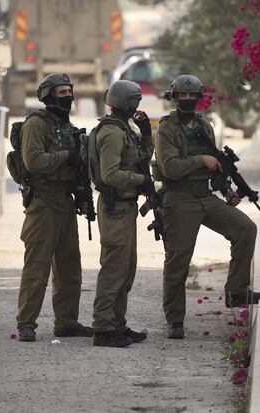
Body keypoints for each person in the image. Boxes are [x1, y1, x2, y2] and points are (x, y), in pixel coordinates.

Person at [154, 74, 260, 340]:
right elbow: (169, 167)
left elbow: (215, 166)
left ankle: (236, 291)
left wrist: (227, 190)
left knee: (245, 229)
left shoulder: (205, 126)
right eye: (182, 96)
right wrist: (200, 160)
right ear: (174, 97)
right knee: (178, 261)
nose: (187, 100)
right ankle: (175, 320)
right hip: (179, 199)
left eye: (191, 96)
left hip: (205, 196)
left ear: (198, 97)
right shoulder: (166, 128)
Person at [16, 73, 93, 342]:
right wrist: (66, 157)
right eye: (61, 92)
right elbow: (34, 161)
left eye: (69, 91)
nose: (67, 97)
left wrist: (82, 192)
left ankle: (67, 323)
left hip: (65, 201)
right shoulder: (36, 124)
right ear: (47, 95)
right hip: (44, 203)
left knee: (70, 268)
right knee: (37, 268)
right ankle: (27, 323)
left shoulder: (69, 127)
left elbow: (78, 165)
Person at [88, 80, 154, 348]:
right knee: (114, 268)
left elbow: (142, 158)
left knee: (126, 269)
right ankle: (103, 329)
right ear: (129, 104)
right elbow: (110, 174)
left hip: (125, 208)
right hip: (115, 207)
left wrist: (147, 134)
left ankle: (117, 324)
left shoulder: (124, 129)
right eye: (135, 102)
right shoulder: (113, 133)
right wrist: (140, 180)